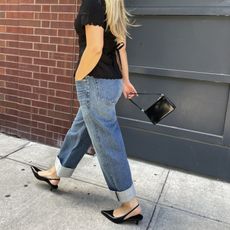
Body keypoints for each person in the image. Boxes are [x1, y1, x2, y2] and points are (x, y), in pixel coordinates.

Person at [31, 0, 143, 225]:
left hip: (95, 83)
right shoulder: (113, 4)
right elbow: (121, 45)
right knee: (80, 130)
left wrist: (78, 78)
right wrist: (126, 81)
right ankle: (56, 172)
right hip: (110, 82)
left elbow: (94, 48)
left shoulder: (93, 2)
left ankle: (129, 203)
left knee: (107, 142)